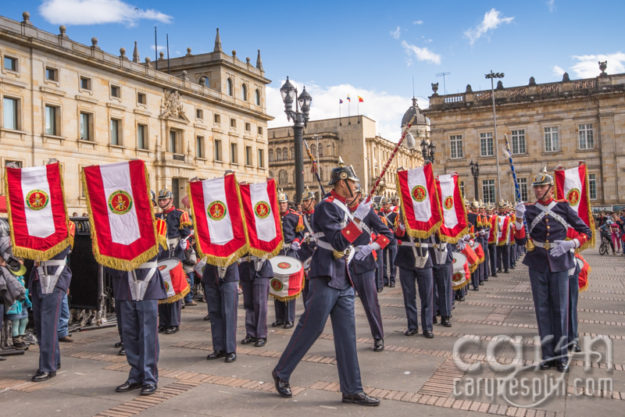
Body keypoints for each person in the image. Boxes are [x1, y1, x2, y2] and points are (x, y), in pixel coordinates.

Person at [272, 160, 380, 406]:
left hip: (344, 277)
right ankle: (281, 372)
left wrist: (359, 222)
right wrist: (357, 220)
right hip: (327, 275)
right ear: (342, 183)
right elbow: (339, 241)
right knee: (311, 328)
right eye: (352, 182)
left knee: (347, 335)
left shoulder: (342, 208)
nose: (355, 186)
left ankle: (352, 388)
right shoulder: (326, 207)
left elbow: (350, 243)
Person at [514, 169, 591, 373]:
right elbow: (520, 240)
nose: (538, 190)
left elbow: (586, 231)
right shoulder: (529, 210)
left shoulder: (563, 207)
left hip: (560, 262)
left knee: (561, 310)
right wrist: (519, 220)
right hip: (538, 263)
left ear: (550, 188)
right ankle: (548, 356)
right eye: (536, 187)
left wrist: (571, 243)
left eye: (541, 187)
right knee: (542, 311)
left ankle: (562, 357)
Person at [106, 255, 167, 395]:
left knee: (147, 334)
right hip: (125, 281)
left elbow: (162, 250)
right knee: (129, 333)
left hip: (147, 279)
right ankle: (136, 375)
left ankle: (149, 378)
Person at [348, 189, 392, 351]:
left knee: (371, 304)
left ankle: (378, 337)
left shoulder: (367, 212)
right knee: (346, 307)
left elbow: (387, 234)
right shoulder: (342, 211)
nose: (348, 197)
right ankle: (348, 341)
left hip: (364, 262)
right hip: (345, 263)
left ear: (358, 195)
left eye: (351, 194)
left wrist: (372, 246)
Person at [156, 189, 192, 334]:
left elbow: (187, 233)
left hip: (174, 254)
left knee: (174, 290)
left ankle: (174, 322)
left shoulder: (180, 214)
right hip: (160, 255)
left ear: (171, 200)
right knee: (161, 289)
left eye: (165, 200)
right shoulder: (157, 216)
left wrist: (185, 243)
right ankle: (163, 322)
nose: (162, 202)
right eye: (160, 200)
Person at [394, 211, 435, 339]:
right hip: (406, 259)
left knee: (427, 296)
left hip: (424, 258)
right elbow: (397, 235)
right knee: (409, 295)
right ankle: (412, 326)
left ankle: (427, 327)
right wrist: (402, 226)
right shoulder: (403, 215)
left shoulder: (428, 215)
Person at [273, 190, 304, 329]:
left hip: (290, 252)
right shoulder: (272, 217)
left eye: (284, 203)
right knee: (277, 285)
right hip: (277, 254)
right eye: (280, 203)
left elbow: (300, 233)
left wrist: (297, 241)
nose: (282, 206)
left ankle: (289, 318)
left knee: (290, 286)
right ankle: (279, 317)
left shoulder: (294, 216)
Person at [204, 263, 238, 363]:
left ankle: (230, 349)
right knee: (214, 313)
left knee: (229, 313)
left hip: (229, 274)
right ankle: (218, 348)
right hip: (211, 274)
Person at [239, 254, 272, 348]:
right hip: (246, 266)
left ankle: (261, 334)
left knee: (260, 303)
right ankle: (251, 333)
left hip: (261, 266)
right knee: (248, 303)